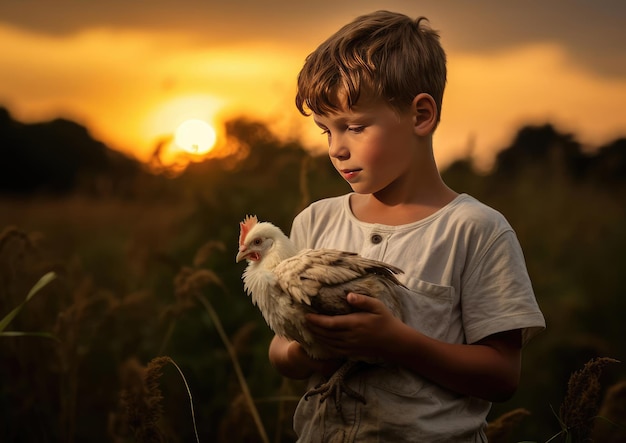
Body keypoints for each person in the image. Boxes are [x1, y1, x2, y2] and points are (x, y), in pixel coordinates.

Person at [268, 10, 545, 442]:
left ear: (420, 116)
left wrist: (397, 343)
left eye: (355, 127)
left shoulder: (475, 230)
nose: (337, 149)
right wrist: (314, 348)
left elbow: (502, 375)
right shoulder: (315, 222)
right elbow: (280, 352)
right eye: (327, 131)